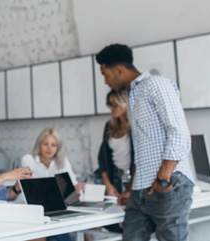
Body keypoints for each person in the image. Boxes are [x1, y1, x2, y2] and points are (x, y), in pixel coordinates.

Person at [96, 43, 193, 241]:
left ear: (119, 70)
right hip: (140, 189)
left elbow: (179, 132)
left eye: (106, 74)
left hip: (167, 185)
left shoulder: (157, 85)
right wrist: (131, 188)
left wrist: (163, 179)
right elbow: (142, 152)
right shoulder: (132, 95)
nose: (106, 81)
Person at [22, 127, 84, 195]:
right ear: (39, 145)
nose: (49, 148)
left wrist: (76, 191)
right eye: (45, 144)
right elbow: (28, 188)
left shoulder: (63, 160)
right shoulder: (28, 160)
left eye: (53, 145)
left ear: (58, 148)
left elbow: (73, 184)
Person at [97, 89, 134, 197]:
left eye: (114, 104)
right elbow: (102, 158)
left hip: (133, 177)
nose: (111, 108)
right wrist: (108, 184)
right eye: (109, 104)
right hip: (115, 177)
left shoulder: (134, 127)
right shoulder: (109, 126)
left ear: (124, 102)